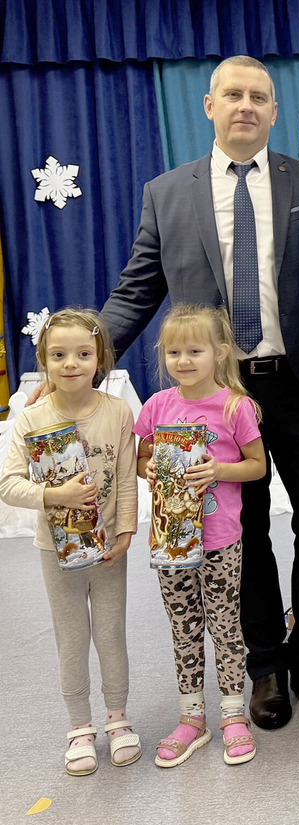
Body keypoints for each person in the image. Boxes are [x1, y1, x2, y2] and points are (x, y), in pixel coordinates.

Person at [99, 55, 299, 729]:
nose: (246, 105)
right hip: (217, 399)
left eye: (260, 96)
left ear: (276, 112)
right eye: (234, 95)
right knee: (240, 534)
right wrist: (85, 361)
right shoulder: (168, 193)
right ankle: (266, 668)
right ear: (210, 107)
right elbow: (137, 290)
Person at [0, 309, 141, 775]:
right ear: (42, 359)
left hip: (107, 552)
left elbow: (124, 476)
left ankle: (118, 720)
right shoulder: (31, 418)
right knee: (71, 638)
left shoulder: (118, 411)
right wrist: (54, 495)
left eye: (83, 353)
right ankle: (79, 727)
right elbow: (7, 483)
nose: (71, 363)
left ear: (100, 358)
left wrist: (125, 530)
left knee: (110, 634)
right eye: (58, 355)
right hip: (55, 551)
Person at [134, 305, 265, 767]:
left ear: (220, 352)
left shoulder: (236, 405)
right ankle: (192, 717)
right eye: (173, 351)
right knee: (184, 625)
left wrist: (219, 469)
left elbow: (257, 465)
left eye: (195, 350)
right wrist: (146, 467)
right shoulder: (156, 406)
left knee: (225, 623)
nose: (184, 360)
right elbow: (139, 460)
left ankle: (233, 713)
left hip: (221, 539)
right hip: (171, 539)